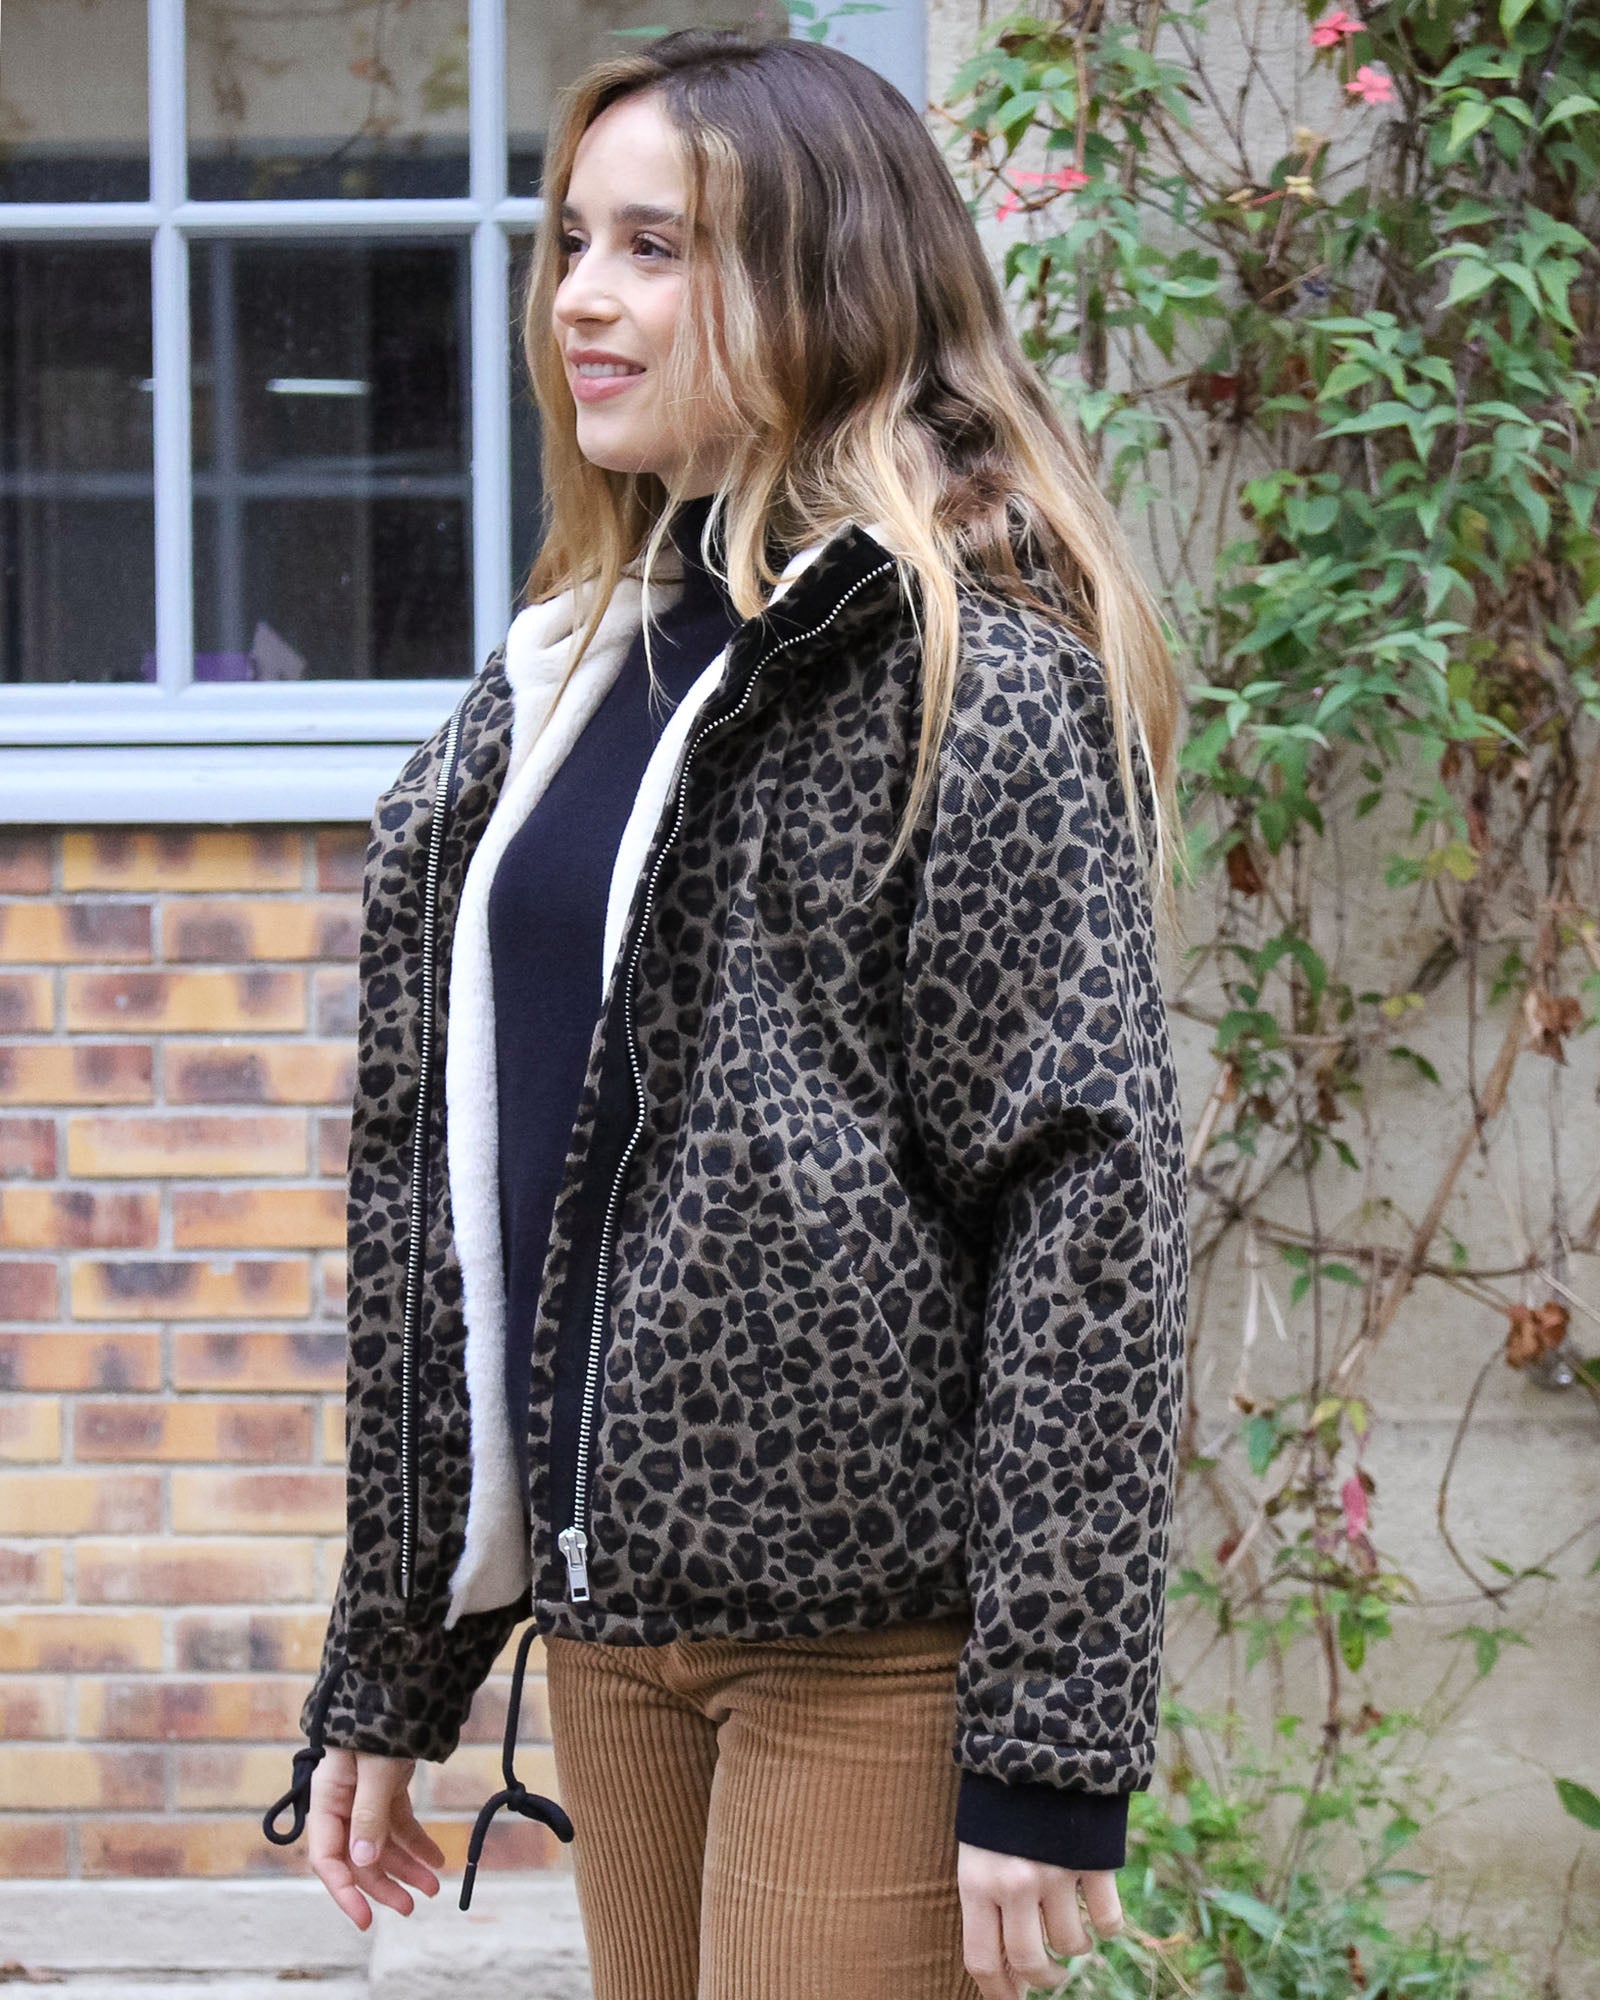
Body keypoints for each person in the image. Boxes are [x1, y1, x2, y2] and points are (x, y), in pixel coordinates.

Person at [260, 26, 1189, 2000]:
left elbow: (1086, 1203)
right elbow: (446, 1199)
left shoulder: (967, 673)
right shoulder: (571, 675)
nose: (579, 298)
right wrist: (392, 1664)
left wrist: (1049, 1745)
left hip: (865, 1645)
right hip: (614, 1632)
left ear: (822, 282)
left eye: (655, 247)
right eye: (572, 242)